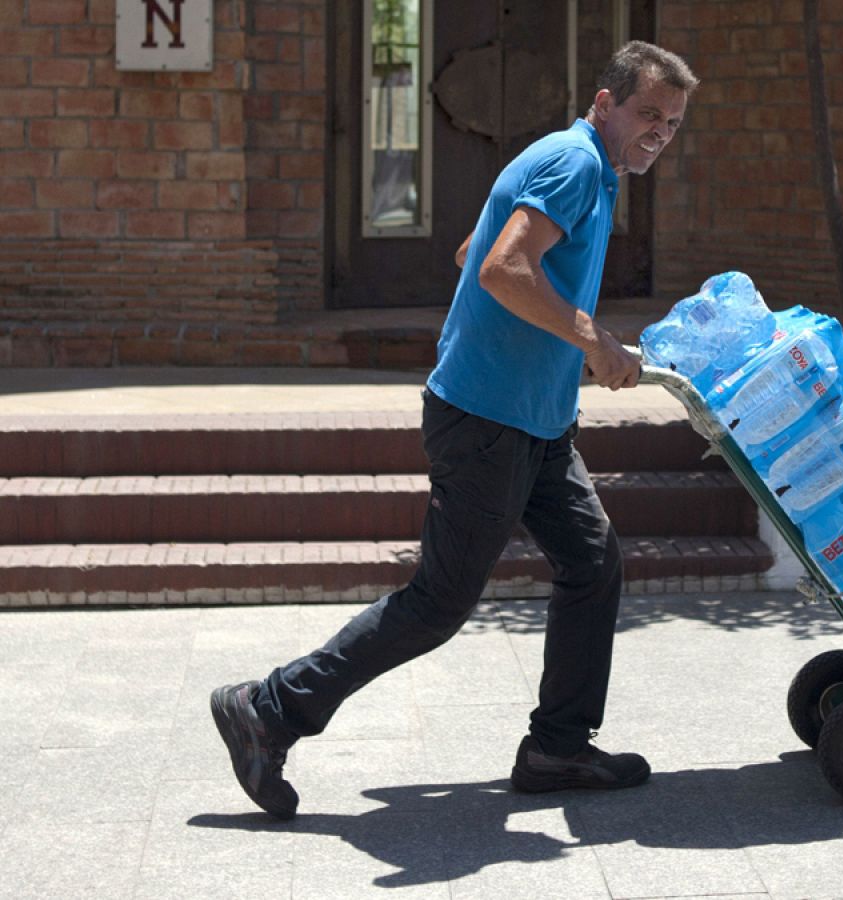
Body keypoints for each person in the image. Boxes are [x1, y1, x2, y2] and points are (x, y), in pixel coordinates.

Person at [210, 41, 698, 820]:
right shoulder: (575, 163)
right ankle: (270, 708)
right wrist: (593, 341)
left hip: (536, 422)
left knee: (592, 562)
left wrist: (554, 339)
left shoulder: (581, 166)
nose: (658, 134)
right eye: (648, 114)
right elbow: (503, 268)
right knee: (438, 603)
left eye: (671, 123)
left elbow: (476, 251)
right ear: (605, 103)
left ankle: (558, 747)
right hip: (487, 421)